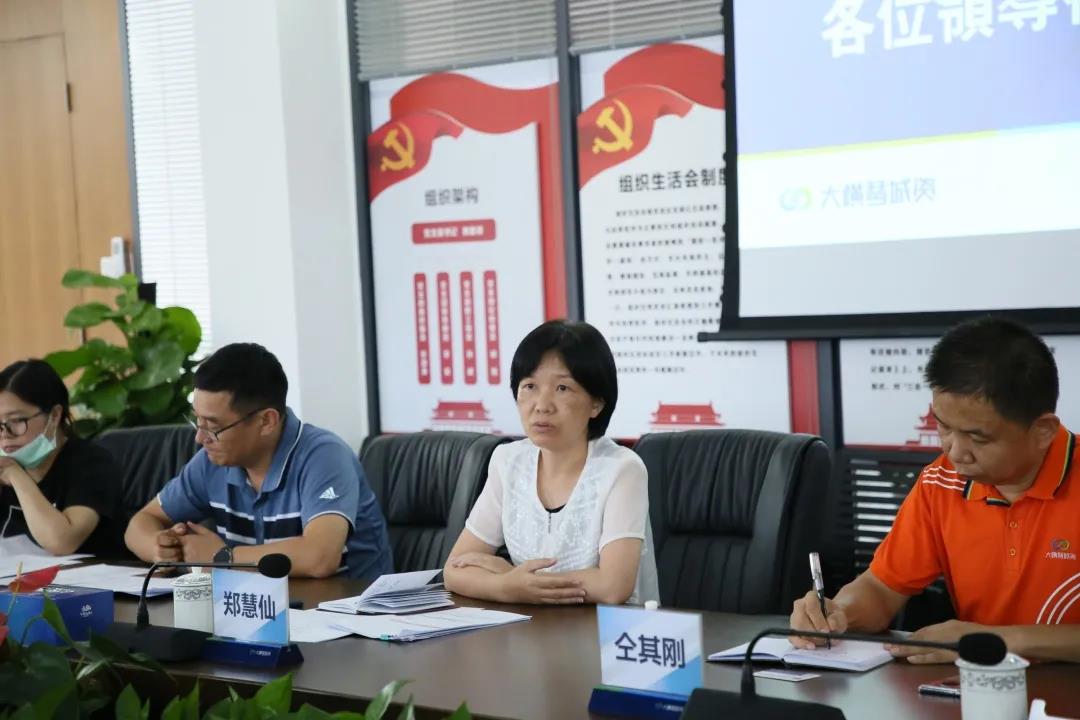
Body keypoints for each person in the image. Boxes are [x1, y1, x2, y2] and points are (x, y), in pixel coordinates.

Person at [791, 317, 1080, 663]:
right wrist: (837, 613)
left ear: (1043, 430)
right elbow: (881, 588)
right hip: (974, 684)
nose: (954, 451)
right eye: (944, 428)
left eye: (977, 437)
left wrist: (995, 640)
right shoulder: (940, 482)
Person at [124, 343, 392, 579]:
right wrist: (160, 548)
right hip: (263, 607)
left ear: (266, 421)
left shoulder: (324, 456)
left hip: (347, 612)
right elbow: (141, 523)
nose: (200, 437)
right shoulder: (211, 461)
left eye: (213, 426)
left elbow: (320, 557)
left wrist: (222, 558)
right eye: (197, 421)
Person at [443, 320, 658, 605]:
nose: (542, 405)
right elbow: (454, 570)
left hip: (610, 629)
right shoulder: (508, 462)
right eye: (529, 386)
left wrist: (517, 579)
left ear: (596, 403)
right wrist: (507, 585)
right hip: (532, 627)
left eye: (562, 388)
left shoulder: (622, 469)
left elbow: (612, 587)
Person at [0, 359, 123, 556]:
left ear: (55, 415)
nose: (5, 434)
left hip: (92, 574)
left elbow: (62, 542)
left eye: (16, 421)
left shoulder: (93, 463)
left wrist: (15, 475)